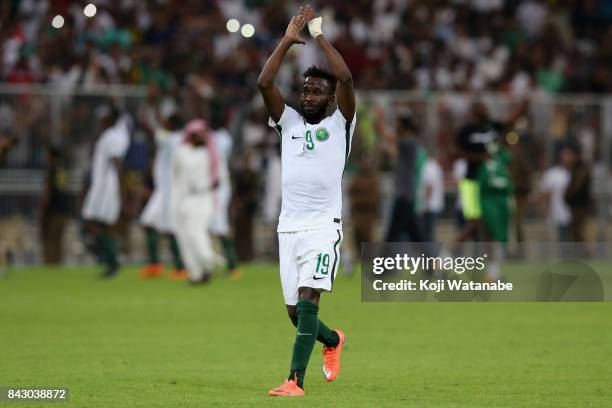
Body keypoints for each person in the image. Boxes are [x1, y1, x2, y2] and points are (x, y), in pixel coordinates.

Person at [257, 5, 355, 397]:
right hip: (289, 229)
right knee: (296, 314)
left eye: (318, 91)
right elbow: (265, 84)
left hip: (322, 227)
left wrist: (317, 34)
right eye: (306, 90)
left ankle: (295, 380)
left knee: (308, 299)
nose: (310, 95)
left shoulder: (340, 124)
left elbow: (345, 76)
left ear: (331, 100)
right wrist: (286, 40)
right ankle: (332, 340)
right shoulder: (289, 123)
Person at [81, 106, 130, 278]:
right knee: (101, 224)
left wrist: (122, 191)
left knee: (93, 222)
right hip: (101, 185)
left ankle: (113, 260)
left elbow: (117, 162)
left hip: (105, 187)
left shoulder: (114, 136)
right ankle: (112, 259)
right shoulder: (109, 135)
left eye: (104, 117)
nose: (100, 120)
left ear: (111, 119)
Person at [171, 119, 221, 284]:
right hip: (182, 200)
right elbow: (176, 178)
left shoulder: (206, 154)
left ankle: (209, 261)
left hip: (202, 199)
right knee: (184, 238)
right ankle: (196, 273)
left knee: (196, 234)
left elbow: (213, 181)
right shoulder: (181, 152)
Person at [139, 114, 187, 280]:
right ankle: (156, 265)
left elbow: (154, 133)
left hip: (169, 190)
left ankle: (181, 267)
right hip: (163, 190)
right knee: (149, 222)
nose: (163, 124)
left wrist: (148, 117)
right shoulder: (176, 138)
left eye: (166, 121)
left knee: (170, 227)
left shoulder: (172, 138)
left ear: (172, 125)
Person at [383, 113, 426, 242]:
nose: (395, 126)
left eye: (397, 123)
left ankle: (384, 262)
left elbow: (389, 137)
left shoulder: (408, 142)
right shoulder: (408, 144)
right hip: (406, 196)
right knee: (415, 235)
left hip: (404, 196)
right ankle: (432, 261)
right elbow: (393, 152)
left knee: (393, 235)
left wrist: (380, 119)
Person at [209, 115, 240, 278]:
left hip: (218, 185)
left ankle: (231, 263)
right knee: (213, 225)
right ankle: (216, 263)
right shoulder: (220, 137)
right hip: (211, 185)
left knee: (219, 224)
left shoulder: (221, 138)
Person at [40, 146, 71, 264]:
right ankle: (57, 263)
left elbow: (47, 192)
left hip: (53, 211)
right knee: (58, 239)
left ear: (51, 157)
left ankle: (50, 265)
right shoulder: (63, 171)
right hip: (64, 210)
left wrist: (42, 209)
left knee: (50, 239)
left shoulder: (51, 170)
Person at [562, 143, 592, 242]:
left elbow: (575, 187)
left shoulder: (582, 169)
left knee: (579, 232)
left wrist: (566, 196)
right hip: (575, 206)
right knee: (574, 232)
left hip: (580, 206)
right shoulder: (575, 168)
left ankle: (584, 255)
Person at [418, 156, 445, 242]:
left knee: (426, 234)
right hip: (435, 205)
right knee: (429, 233)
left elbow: (429, 188)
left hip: (429, 206)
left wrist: (424, 205)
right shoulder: (436, 167)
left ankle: (428, 253)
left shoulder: (428, 167)